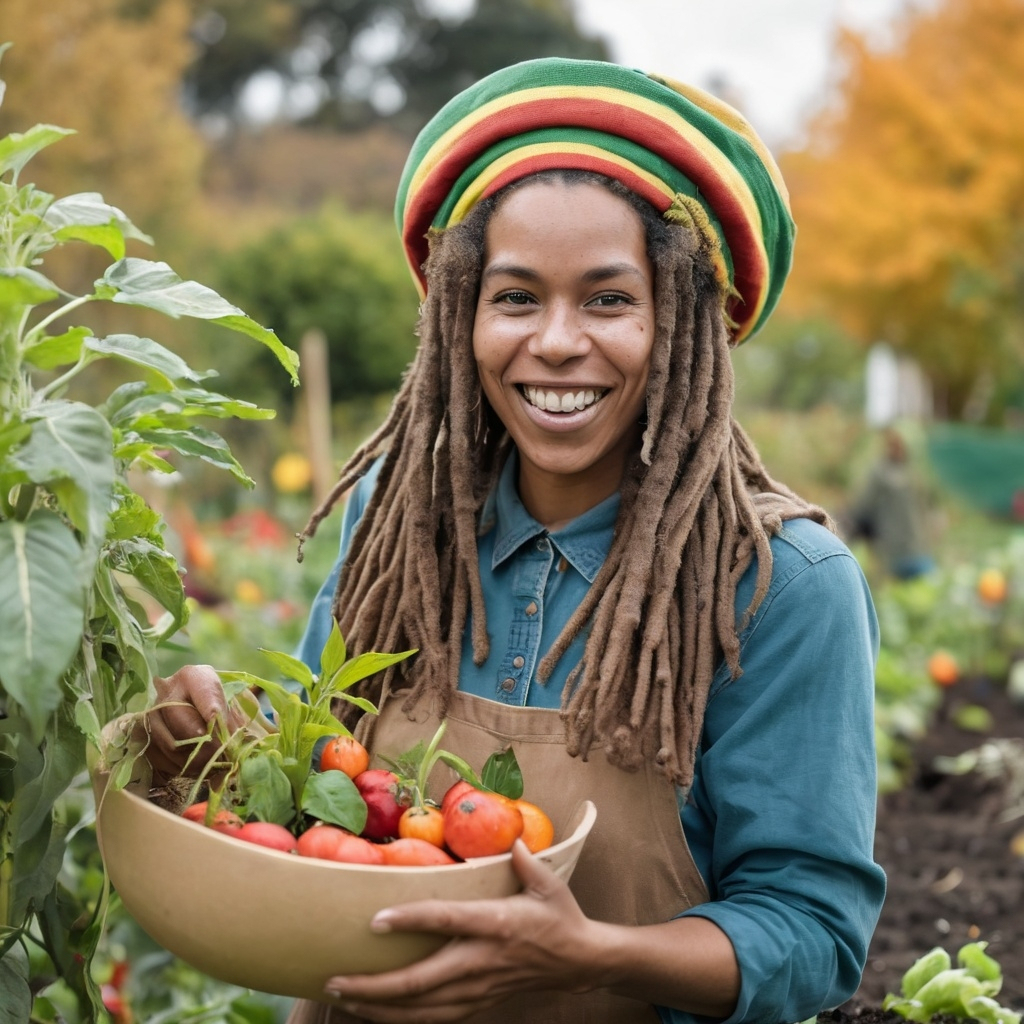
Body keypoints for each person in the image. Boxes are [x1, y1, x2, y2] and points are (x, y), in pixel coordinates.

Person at [152, 57, 885, 1024]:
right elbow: (319, 792)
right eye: (516, 297)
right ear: (461, 314)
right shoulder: (400, 521)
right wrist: (221, 750)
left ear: (682, 324)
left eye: (610, 300)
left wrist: (591, 956)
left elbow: (811, 933)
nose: (555, 341)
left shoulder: (779, 585)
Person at [846, 425, 936, 580]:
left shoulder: (915, 471)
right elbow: (862, 506)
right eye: (892, 444)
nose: (895, 449)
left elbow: (928, 507)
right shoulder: (880, 472)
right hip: (893, 549)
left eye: (899, 444)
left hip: (919, 546)